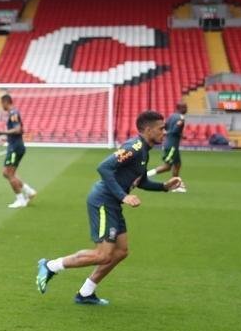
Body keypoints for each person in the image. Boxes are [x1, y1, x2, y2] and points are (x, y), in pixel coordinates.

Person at [36, 111, 183, 305]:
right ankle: (50, 266)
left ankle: (86, 293)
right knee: (103, 255)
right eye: (161, 128)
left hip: (112, 203)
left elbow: (140, 181)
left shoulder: (144, 150)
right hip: (103, 201)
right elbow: (104, 167)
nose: (165, 132)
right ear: (148, 130)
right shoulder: (135, 147)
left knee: (121, 251)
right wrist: (123, 196)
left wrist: (164, 187)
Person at [0, 93, 36, 208]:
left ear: (6, 102)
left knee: (9, 174)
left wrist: (2, 132)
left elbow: (18, 129)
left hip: (15, 148)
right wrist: (6, 137)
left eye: (2, 103)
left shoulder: (13, 113)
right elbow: (20, 131)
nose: (2, 106)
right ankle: (29, 191)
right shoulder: (13, 113)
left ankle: (20, 199)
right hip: (16, 145)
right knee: (6, 173)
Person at [147, 102, 187, 192]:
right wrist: (177, 134)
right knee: (167, 166)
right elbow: (175, 131)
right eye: (185, 107)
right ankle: (146, 175)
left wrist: (178, 135)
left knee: (177, 164)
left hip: (170, 144)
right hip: (172, 145)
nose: (186, 110)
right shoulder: (181, 118)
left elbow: (166, 127)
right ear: (181, 108)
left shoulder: (171, 116)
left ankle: (176, 185)